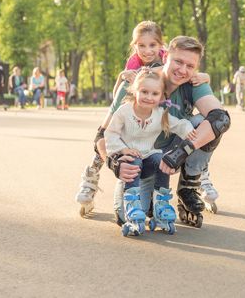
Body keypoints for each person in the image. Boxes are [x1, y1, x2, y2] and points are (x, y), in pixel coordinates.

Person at [75, 21, 212, 217]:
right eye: (141, 45)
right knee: (111, 135)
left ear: (162, 47)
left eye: (152, 45)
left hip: (163, 141)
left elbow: (187, 64)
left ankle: (195, 182)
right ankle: (92, 175)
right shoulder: (133, 69)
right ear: (134, 45)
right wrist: (114, 162)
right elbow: (109, 120)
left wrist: (204, 76)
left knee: (201, 127)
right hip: (134, 142)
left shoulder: (175, 63)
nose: (147, 51)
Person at [106, 36, 231, 228]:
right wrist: (114, 162)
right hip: (138, 161)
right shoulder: (138, 82)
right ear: (166, 57)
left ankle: (189, 185)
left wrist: (180, 154)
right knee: (126, 216)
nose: (183, 70)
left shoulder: (194, 84)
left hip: (173, 156)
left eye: (190, 66)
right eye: (178, 62)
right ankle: (147, 195)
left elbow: (221, 118)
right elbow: (103, 134)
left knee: (204, 122)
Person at [105, 70, 196, 236]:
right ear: (135, 90)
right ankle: (132, 205)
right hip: (130, 160)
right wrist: (122, 150)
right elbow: (110, 134)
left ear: (161, 96)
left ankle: (161, 205)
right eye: (144, 92)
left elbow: (179, 125)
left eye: (154, 93)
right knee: (134, 160)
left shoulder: (160, 114)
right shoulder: (124, 111)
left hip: (149, 157)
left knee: (162, 159)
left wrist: (189, 130)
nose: (149, 97)